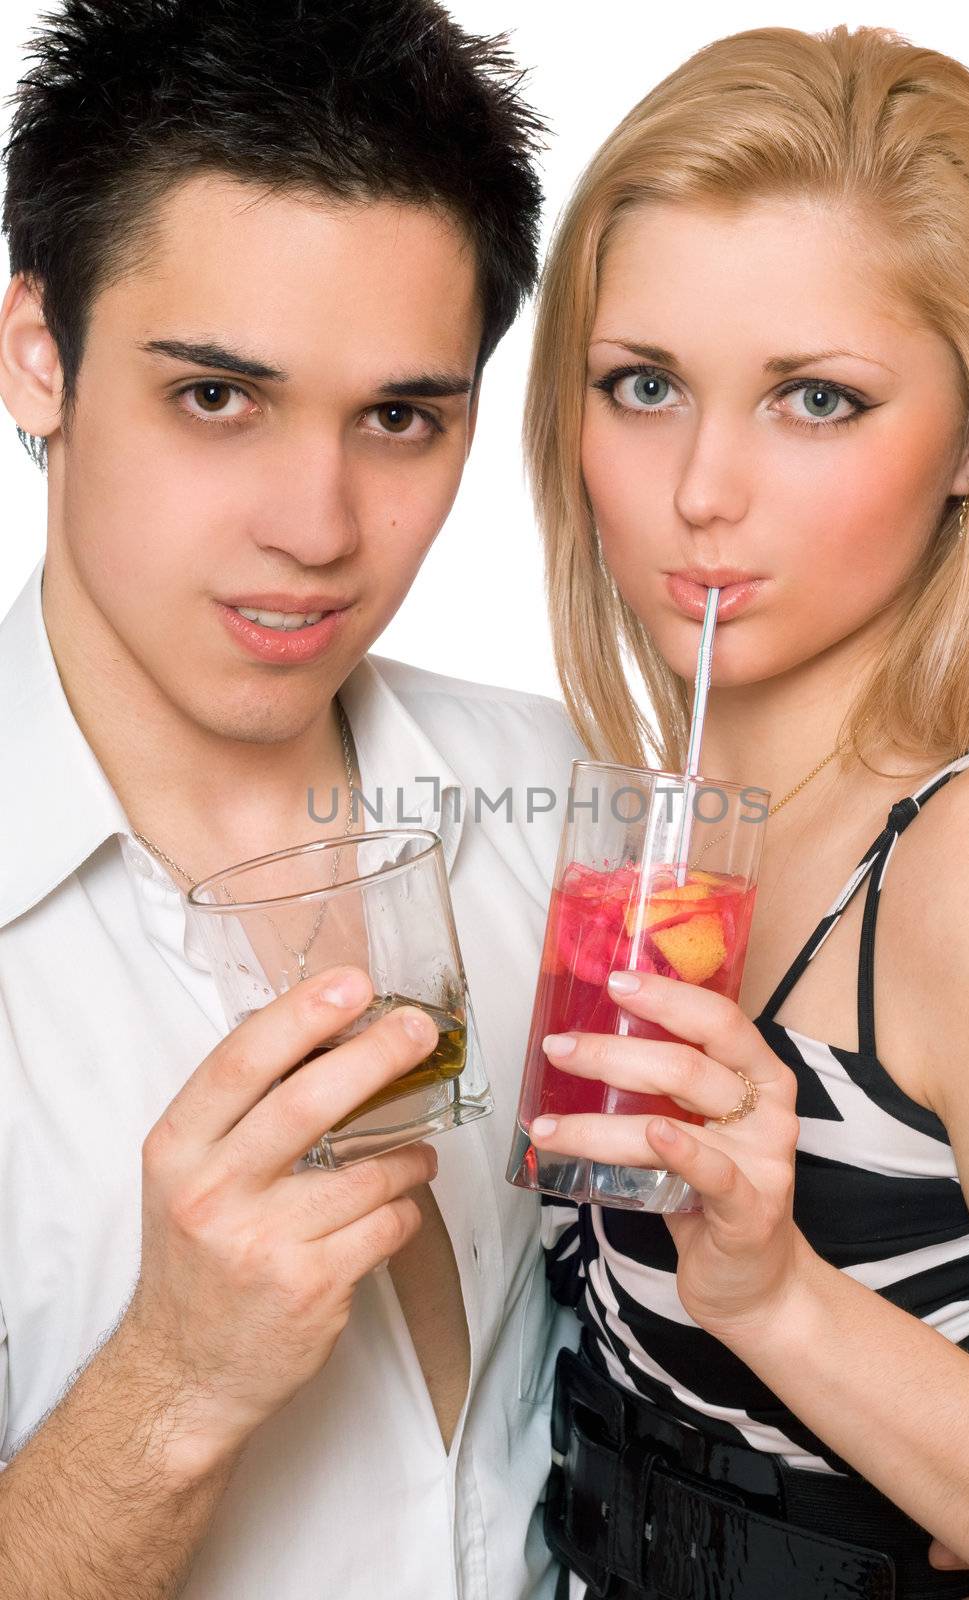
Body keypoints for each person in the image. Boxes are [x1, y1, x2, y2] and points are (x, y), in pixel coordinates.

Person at [0, 2, 584, 1595]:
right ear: (36, 356)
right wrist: (174, 1384)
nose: (317, 529)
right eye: (217, 398)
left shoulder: (566, 798)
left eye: (400, 417)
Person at [522, 22, 969, 1600]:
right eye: (643, 385)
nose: (704, 486)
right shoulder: (617, 836)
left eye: (815, 400)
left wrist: (779, 1300)